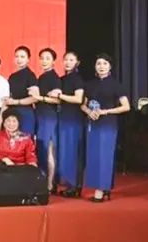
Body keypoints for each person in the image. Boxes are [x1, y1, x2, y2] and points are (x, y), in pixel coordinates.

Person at [82, 54, 129, 202]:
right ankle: (104, 188)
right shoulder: (89, 84)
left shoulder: (116, 85)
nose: (101, 66)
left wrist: (105, 112)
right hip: (92, 123)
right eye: (98, 63)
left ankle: (101, 190)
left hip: (108, 124)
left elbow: (126, 107)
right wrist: (89, 111)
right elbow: (83, 104)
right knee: (93, 156)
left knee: (105, 157)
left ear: (110, 66)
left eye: (105, 63)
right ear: (95, 66)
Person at [33, 48, 63, 192]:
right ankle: (45, 181)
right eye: (42, 58)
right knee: (42, 149)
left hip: (49, 116)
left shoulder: (54, 77)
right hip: (40, 115)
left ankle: (51, 183)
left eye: (47, 58)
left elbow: (57, 100)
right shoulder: (41, 77)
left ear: (53, 61)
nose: (44, 61)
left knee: (49, 149)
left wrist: (40, 98)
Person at [57, 51, 86, 197]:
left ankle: (75, 186)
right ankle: (68, 184)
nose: (68, 62)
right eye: (66, 60)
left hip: (74, 118)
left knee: (74, 152)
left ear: (77, 63)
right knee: (65, 152)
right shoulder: (61, 79)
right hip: (63, 117)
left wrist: (60, 95)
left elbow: (78, 99)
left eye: (71, 60)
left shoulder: (77, 79)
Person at [4, 46, 39, 135]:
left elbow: (35, 98)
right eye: (17, 56)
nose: (19, 59)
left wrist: (16, 102)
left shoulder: (30, 75)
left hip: (25, 113)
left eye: (22, 57)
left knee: (25, 140)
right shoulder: (12, 76)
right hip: (12, 114)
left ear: (28, 59)